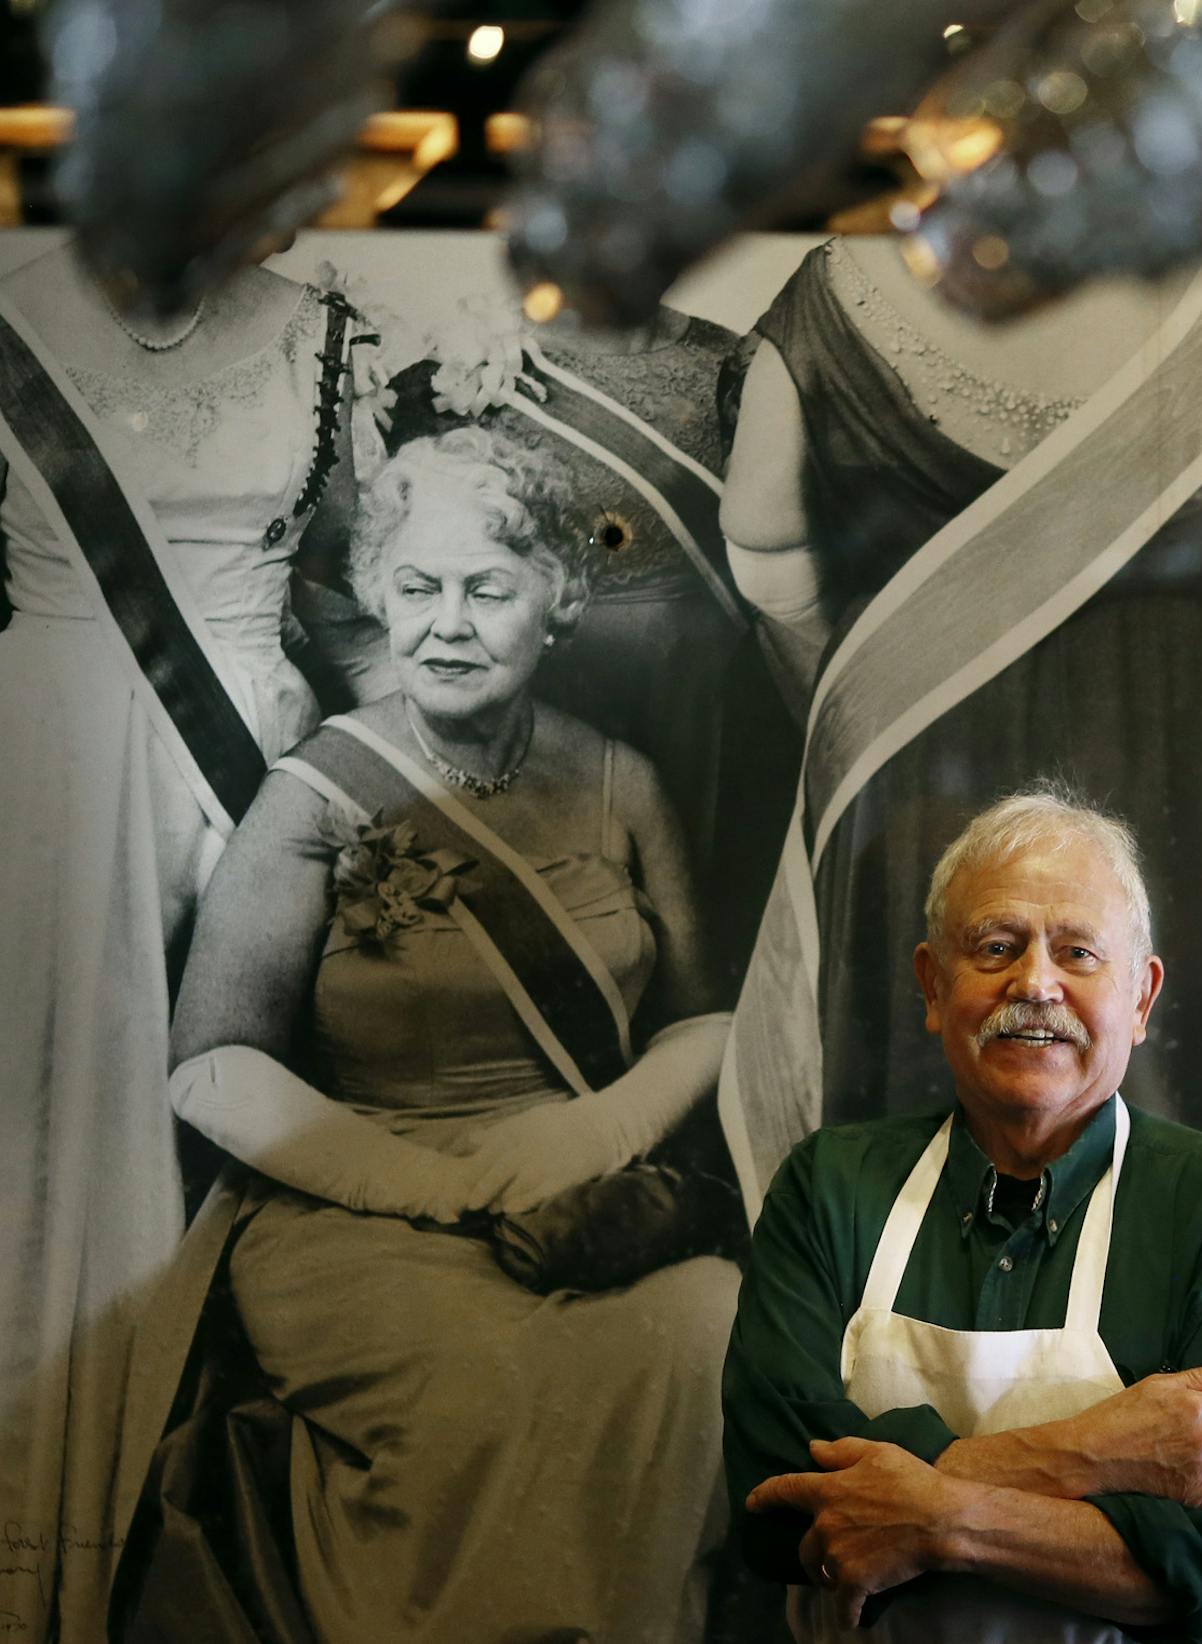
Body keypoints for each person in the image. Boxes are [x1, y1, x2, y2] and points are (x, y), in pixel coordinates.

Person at [133, 426, 742, 1642]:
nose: (446, 626)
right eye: (417, 589)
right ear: (377, 595)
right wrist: (419, 1184)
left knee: (703, 1328)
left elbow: (706, 1019)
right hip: (353, 1211)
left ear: (557, 603)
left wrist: (592, 1136)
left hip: (570, 1199)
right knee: (482, 1384)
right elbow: (212, 1064)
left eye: (487, 591)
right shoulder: (314, 796)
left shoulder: (620, 781)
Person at [716, 236, 1202, 1223]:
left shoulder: (831, 293)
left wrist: (882, 675)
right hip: (1174, 725)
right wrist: (1177, 632)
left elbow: (766, 557)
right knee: (1171, 1089)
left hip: (921, 738)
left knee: (941, 1070)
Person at [0, 245, 376, 1643]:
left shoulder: (322, 332)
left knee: (207, 1133)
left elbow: (357, 589)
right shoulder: (8, 315)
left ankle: (164, 1557)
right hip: (38, 791)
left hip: (248, 786)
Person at [724, 786, 1202, 1643]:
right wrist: (1098, 1452)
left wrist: (930, 1518)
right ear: (933, 985)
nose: (1036, 983)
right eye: (996, 947)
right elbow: (774, 1508)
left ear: (1142, 999)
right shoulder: (828, 1188)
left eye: (1078, 953)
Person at [364, 299, 793, 1000]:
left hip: (709, 705)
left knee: (713, 932)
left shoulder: (739, 363)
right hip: (555, 695)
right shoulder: (467, 369)